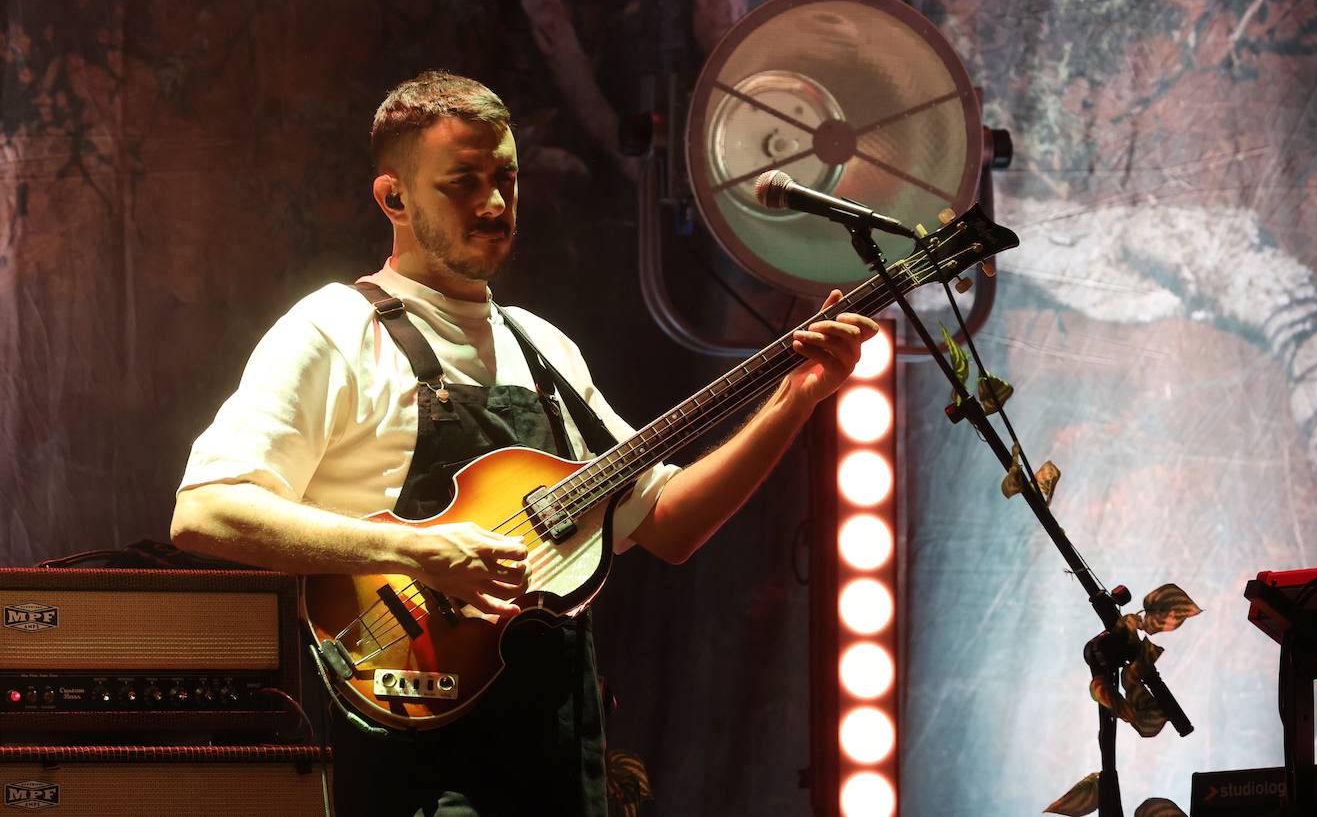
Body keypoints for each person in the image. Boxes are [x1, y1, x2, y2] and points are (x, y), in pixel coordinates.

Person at [171, 70, 879, 816]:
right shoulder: (334, 331)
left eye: (506, 177)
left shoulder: (543, 349)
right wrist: (415, 552)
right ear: (395, 199)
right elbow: (207, 512)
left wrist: (798, 398)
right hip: (412, 756)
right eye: (463, 182)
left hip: (552, 755)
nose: (496, 203)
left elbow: (670, 525)